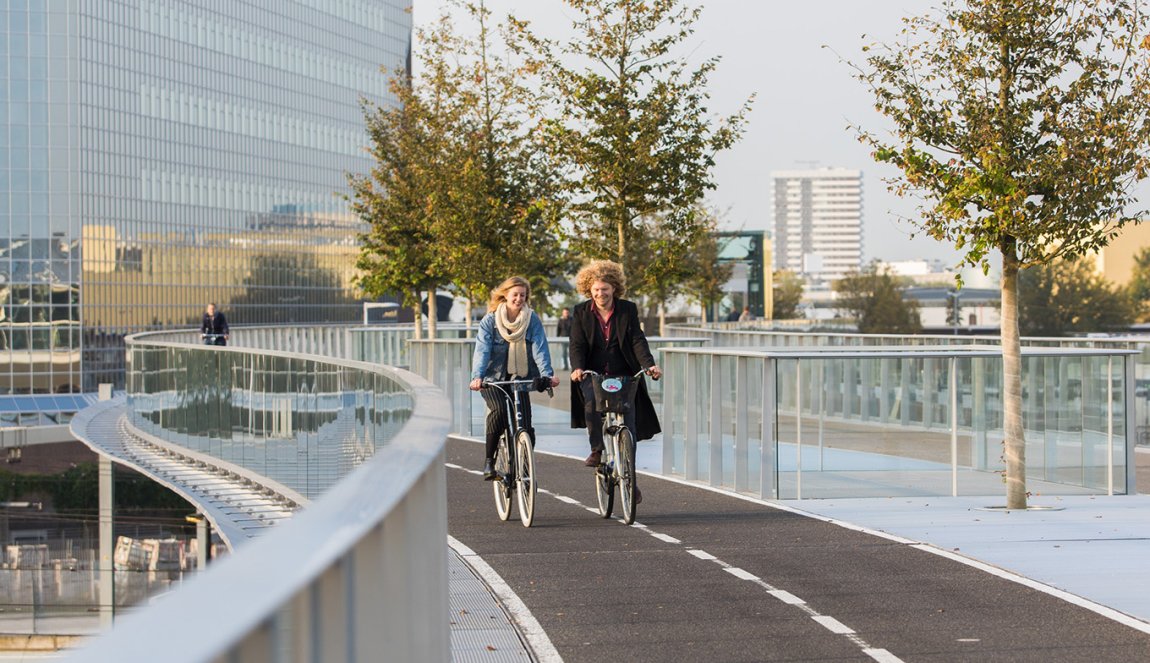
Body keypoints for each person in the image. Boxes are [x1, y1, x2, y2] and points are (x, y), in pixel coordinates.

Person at [568, 260, 662, 504]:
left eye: (605, 289)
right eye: (596, 290)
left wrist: (648, 365)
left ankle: (631, 478)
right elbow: (576, 344)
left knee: (628, 425)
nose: (601, 294)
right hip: (593, 372)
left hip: (623, 373)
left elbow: (637, 340)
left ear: (614, 289)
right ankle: (597, 450)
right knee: (591, 402)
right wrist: (578, 368)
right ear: (590, 290)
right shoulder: (580, 312)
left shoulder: (627, 310)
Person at [469, 277, 560, 481]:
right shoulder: (490, 321)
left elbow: (539, 347)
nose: (519, 299)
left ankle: (525, 464)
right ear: (505, 295)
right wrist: (478, 377)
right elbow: (482, 351)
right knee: (500, 411)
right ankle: (489, 461)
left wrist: (547, 374)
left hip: (521, 378)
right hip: (494, 379)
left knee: (525, 424)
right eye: (515, 295)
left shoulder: (531, 319)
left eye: (523, 295)